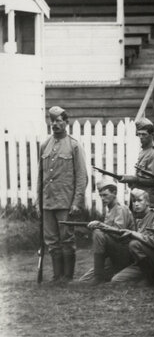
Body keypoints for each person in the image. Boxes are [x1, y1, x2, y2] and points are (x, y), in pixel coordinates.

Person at [38, 106, 88, 283]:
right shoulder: (45, 145)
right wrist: (39, 202)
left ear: (66, 123)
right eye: (52, 120)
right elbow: (40, 177)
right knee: (51, 240)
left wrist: (77, 202)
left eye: (59, 120)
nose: (55, 124)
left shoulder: (74, 145)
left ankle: (67, 276)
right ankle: (56, 275)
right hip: (47, 202)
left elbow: (82, 176)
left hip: (66, 201)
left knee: (67, 239)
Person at [73, 179, 135, 285]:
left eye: (105, 195)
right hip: (113, 253)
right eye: (101, 195)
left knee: (98, 233)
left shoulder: (120, 209)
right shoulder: (110, 210)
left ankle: (99, 277)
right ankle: (101, 274)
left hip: (124, 252)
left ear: (114, 193)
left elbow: (119, 233)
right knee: (84, 280)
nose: (102, 198)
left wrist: (100, 225)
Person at [110, 189, 154, 287]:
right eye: (134, 201)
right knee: (116, 280)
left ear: (147, 202)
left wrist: (133, 233)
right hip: (142, 262)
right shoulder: (137, 218)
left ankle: (153, 279)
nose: (136, 204)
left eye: (140, 200)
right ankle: (146, 278)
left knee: (134, 244)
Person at [121, 117, 154, 210]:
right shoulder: (143, 151)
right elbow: (141, 175)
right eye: (139, 134)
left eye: (144, 134)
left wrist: (134, 179)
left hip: (150, 202)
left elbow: (153, 180)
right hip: (139, 200)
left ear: (152, 135)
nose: (141, 137)